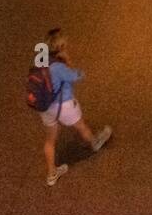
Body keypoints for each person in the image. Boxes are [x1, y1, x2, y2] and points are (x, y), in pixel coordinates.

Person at [37, 28, 113, 187]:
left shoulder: (41, 59)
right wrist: (68, 60)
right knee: (81, 126)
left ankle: (51, 174)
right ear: (61, 47)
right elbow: (77, 75)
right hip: (64, 106)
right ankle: (94, 142)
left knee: (50, 140)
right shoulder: (59, 66)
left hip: (45, 107)